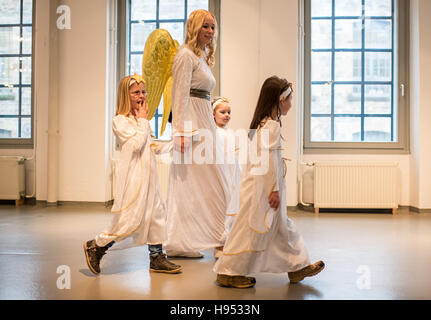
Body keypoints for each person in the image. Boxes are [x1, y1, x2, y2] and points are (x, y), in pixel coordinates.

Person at [214, 76, 324, 288]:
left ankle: (297, 266)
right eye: (289, 100)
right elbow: (267, 161)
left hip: (262, 185)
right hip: (263, 188)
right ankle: (228, 271)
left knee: (282, 227)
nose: (291, 104)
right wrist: (273, 190)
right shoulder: (271, 126)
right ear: (280, 100)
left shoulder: (263, 123)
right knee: (250, 229)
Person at [83, 74, 182, 275]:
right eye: (136, 92)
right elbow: (136, 146)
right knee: (129, 219)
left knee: (156, 216)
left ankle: (156, 257)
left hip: (150, 178)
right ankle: (96, 245)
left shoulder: (140, 121)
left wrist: (174, 144)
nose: (142, 96)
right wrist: (143, 121)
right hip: (134, 178)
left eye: (144, 92)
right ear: (125, 95)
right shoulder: (120, 121)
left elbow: (150, 146)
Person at [164, 10, 231, 258]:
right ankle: (196, 241)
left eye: (213, 27)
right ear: (194, 27)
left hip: (204, 123)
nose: (210, 32)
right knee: (190, 185)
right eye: (205, 27)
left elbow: (200, 95)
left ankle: (199, 240)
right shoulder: (185, 56)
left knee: (212, 183)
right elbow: (179, 96)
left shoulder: (200, 57)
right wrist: (179, 132)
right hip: (192, 129)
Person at [211, 97, 241, 259]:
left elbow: (234, 155)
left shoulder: (230, 132)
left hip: (231, 174)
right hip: (219, 174)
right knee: (220, 208)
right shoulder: (213, 132)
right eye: (222, 112)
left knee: (231, 207)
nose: (226, 115)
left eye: (229, 112)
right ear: (213, 114)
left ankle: (228, 240)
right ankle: (219, 243)